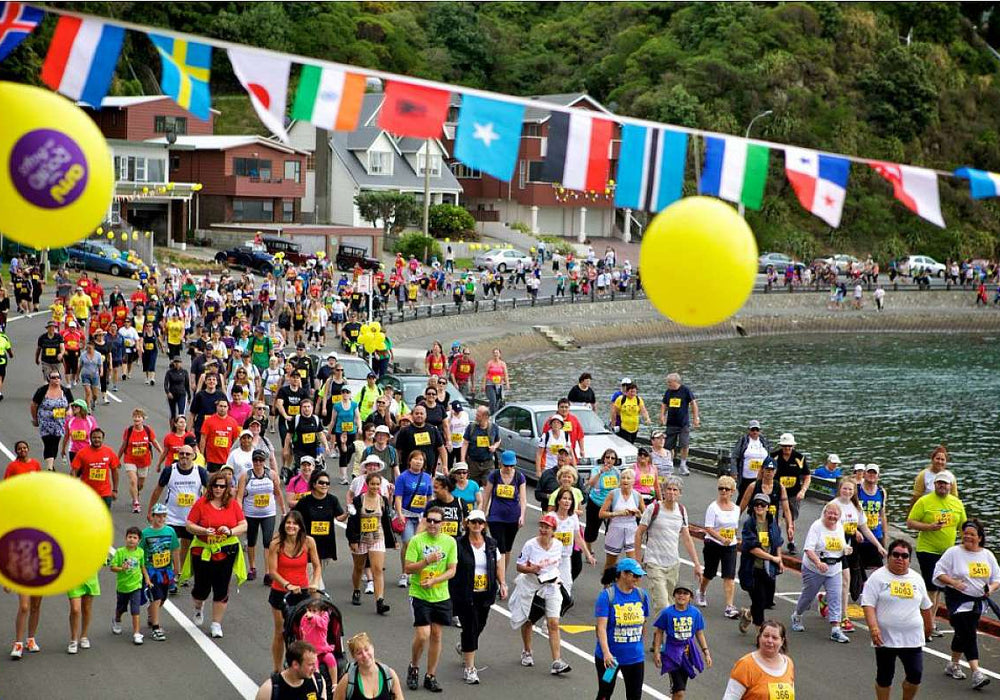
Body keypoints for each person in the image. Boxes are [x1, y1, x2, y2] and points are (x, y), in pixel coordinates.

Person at [861, 539, 934, 700]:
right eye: (896, 555)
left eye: (904, 556)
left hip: (912, 637)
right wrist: (874, 628)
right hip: (885, 637)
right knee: (885, 676)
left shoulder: (916, 579)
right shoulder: (877, 577)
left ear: (909, 559)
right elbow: (868, 605)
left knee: (915, 675)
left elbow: (926, 606)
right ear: (888, 557)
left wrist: (929, 627)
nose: (900, 558)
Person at [932, 519, 998, 689]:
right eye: (965, 533)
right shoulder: (953, 552)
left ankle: (953, 664)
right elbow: (938, 573)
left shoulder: (987, 555)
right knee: (969, 633)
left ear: (980, 538)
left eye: (972, 534)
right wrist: (954, 582)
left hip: (978, 602)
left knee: (963, 633)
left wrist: (990, 588)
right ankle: (976, 672)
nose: (968, 537)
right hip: (957, 600)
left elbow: (997, 579)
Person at [182, 471, 249, 639]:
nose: (218, 489)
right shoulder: (201, 504)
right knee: (201, 588)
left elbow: (243, 525)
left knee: (221, 587)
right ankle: (198, 606)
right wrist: (204, 530)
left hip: (226, 550)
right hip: (203, 550)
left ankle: (216, 623)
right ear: (210, 487)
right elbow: (189, 525)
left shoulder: (232, 505)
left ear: (227, 488)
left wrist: (230, 531)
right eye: (215, 486)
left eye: (222, 486)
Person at [404, 505, 458, 693]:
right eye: (430, 520)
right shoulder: (417, 541)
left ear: (442, 523)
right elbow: (408, 568)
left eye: (436, 521)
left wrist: (435, 580)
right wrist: (426, 561)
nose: (433, 524)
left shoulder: (450, 542)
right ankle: (414, 666)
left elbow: (452, 570)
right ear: (425, 521)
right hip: (419, 593)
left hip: (441, 595)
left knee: (436, 634)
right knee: (422, 634)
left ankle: (431, 675)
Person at [905, 470, 966, 639]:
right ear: (934, 485)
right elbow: (910, 523)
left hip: (947, 552)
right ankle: (927, 626)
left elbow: (963, 527)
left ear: (950, 486)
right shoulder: (925, 501)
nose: (942, 486)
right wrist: (929, 527)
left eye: (945, 483)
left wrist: (966, 547)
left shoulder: (957, 503)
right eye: (939, 483)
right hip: (927, 550)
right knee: (932, 587)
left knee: (939, 589)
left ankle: (930, 622)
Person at [509, 514, 571, 676]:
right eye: (541, 526)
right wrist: (532, 569)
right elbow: (519, 566)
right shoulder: (530, 544)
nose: (543, 530)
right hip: (531, 586)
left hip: (551, 586)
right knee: (528, 620)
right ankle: (527, 651)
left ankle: (557, 661)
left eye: (547, 527)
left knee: (553, 623)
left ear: (553, 530)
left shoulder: (558, 545)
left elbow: (557, 565)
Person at [452, 508, 506, 684]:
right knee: (470, 627)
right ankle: (470, 668)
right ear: (467, 523)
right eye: (473, 522)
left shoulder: (491, 544)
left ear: (484, 525)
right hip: (464, 593)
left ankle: (465, 647)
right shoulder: (459, 543)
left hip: (485, 592)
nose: (476, 525)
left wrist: (502, 583)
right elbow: (451, 566)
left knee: (479, 625)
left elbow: (498, 564)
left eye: (480, 522)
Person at [266, 511, 323, 673]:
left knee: (303, 632)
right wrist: (287, 584)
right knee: (281, 631)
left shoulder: (308, 542)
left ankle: (301, 667)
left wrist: (314, 581)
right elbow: (272, 572)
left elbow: (317, 566)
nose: (291, 526)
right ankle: (277, 670)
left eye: (294, 523)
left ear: (300, 526)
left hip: (302, 594)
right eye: (288, 523)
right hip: (280, 593)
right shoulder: (276, 544)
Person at [790, 501, 852, 643]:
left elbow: (842, 545)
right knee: (808, 596)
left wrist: (846, 549)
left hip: (834, 568)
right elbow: (808, 549)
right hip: (814, 568)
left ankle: (836, 629)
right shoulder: (817, 527)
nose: (832, 516)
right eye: (830, 513)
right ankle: (797, 615)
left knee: (836, 596)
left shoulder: (840, 527)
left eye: (836, 514)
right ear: (824, 513)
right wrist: (818, 563)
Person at [594, 558, 650, 700]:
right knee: (605, 694)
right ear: (623, 574)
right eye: (635, 576)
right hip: (611, 660)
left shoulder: (642, 596)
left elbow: (643, 623)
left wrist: (639, 646)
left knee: (634, 696)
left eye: (640, 576)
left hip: (635, 659)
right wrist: (606, 653)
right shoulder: (607, 596)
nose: (638, 579)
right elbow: (601, 628)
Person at [346, 470, 397, 615]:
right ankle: (356, 589)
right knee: (359, 567)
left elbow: (386, 521)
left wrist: (392, 540)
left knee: (378, 569)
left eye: (377, 484)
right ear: (367, 485)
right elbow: (352, 522)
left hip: (377, 537)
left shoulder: (382, 500)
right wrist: (353, 540)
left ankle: (379, 601)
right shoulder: (358, 500)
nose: (375, 487)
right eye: (372, 484)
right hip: (361, 538)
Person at [653, 582, 711, 700]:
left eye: (685, 593)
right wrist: (657, 651)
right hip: (671, 654)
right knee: (680, 691)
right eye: (679, 593)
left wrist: (706, 652)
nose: (682, 596)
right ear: (674, 595)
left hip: (687, 654)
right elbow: (659, 632)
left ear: (690, 597)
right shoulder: (667, 613)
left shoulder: (695, 613)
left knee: (679, 690)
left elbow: (699, 633)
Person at [236, 449, 287, 582]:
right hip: (251, 513)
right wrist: (239, 514)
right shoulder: (245, 476)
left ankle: (268, 572)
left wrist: (283, 510)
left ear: (264, 462)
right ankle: (252, 567)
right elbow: (239, 496)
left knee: (267, 542)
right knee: (251, 541)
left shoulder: (271, 475)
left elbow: (277, 493)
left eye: (260, 460)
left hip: (268, 513)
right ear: (252, 461)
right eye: (255, 460)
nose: (258, 463)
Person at [738, 493, 785, 633]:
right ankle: (761, 633)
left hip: (768, 568)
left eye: (762, 505)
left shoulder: (772, 522)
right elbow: (753, 549)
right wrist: (772, 558)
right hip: (752, 568)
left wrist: (779, 560)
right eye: (756, 504)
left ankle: (748, 615)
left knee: (766, 601)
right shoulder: (749, 524)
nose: (759, 507)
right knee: (758, 600)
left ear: (767, 507)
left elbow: (777, 543)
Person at [294, 469, 348, 590]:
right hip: (307, 543)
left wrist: (348, 513)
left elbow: (339, 517)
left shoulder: (332, 500)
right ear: (314, 484)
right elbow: (294, 518)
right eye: (321, 483)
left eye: (327, 483)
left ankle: (309, 596)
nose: (324, 485)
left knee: (316, 573)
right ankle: (317, 598)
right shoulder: (304, 501)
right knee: (313, 573)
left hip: (326, 544)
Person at [697, 475, 741, 618]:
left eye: (726, 489)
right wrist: (722, 539)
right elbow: (708, 528)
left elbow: (734, 527)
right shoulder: (713, 507)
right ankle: (702, 591)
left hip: (730, 545)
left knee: (729, 575)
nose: (723, 491)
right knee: (710, 572)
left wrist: (732, 538)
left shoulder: (736, 509)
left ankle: (729, 606)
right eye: (721, 488)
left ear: (732, 491)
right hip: (713, 543)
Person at [482, 449, 526, 579]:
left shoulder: (519, 477)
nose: (508, 468)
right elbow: (486, 495)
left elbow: (523, 499)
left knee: (507, 549)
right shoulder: (494, 475)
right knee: (499, 547)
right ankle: (497, 576)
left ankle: (502, 576)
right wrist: (483, 514)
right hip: (496, 517)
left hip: (513, 518)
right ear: (501, 464)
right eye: (506, 465)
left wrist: (522, 515)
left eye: (511, 465)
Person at [723, 620, 795, 700]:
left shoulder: (788, 663)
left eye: (774, 638)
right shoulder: (745, 664)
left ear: (782, 641)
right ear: (759, 637)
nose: (770, 641)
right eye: (766, 636)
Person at [141, 504, 180, 641]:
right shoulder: (145, 533)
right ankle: (156, 628)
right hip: (152, 571)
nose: (161, 519)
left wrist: (177, 569)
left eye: (163, 516)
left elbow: (175, 550)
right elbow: (140, 552)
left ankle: (152, 612)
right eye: (158, 516)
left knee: (163, 598)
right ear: (152, 516)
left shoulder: (170, 531)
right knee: (156, 598)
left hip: (166, 570)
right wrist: (143, 570)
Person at [109, 526, 152, 646]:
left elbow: (142, 566)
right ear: (125, 538)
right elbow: (112, 567)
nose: (131, 540)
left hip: (136, 586)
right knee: (121, 608)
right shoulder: (120, 552)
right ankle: (117, 619)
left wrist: (147, 579)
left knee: (135, 609)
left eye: (134, 538)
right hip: (123, 587)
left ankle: (137, 633)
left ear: (139, 541)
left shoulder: (140, 552)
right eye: (129, 537)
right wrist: (121, 568)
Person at [332, 632, 403, 700]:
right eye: (359, 653)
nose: (365, 655)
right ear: (354, 657)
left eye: (366, 649)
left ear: (372, 648)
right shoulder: (347, 681)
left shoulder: (389, 675)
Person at [770, 432, 809, 554]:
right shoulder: (773, 457)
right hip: (777, 493)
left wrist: (803, 490)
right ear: (781, 446)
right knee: (776, 518)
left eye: (789, 446)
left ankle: (791, 542)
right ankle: (775, 542)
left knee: (790, 519)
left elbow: (807, 476)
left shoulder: (799, 458)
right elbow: (765, 472)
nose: (787, 448)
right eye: (785, 446)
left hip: (793, 494)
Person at [119, 407, 162, 514]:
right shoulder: (128, 431)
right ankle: (136, 503)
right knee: (133, 480)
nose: (136, 419)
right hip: (130, 459)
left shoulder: (147, 430)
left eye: (139, 417)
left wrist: (162, 453)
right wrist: (117, 459)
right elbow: (123, 445)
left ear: (143, 419)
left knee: (140, 484)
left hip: (144, 461)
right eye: (135, 416)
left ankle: (136, 492)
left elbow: (155, 442)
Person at [255, 641, 328, 700]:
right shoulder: (269, 690)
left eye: (315, 663)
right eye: (310, 664)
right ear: (295, 664)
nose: (315, 668)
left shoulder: (318, 681)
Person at [31, 371, 73, 471]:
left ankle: (51, 462)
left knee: (55, 442)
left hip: (59, 422)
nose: (56, 379)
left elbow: (71, 404)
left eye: (58, 377)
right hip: (45, 421)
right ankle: (49, 467)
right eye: (53, 377)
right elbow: (34, 405)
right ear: (49, 379)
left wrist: (70, 411)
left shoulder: (65, 391)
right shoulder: (42, 390)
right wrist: (35, 418)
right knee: (47, 441)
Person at [658, 373, 699, 475]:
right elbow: (664, 404)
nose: (668, 384)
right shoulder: (668, 392)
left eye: (669, 382)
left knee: (684, 444)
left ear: (675, 381)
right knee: (668, 446)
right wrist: (662, 416)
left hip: (683, 424)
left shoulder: (685, 390)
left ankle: (683, 465)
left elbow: (693, 403)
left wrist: (695, 418)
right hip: (671, 423)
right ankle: (669, 464)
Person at [71, 428, 120, 508]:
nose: (96, 440)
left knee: (104, 517)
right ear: (90, 438)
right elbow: (74, 471)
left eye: (99, 438)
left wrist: (115, 490)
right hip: (87, 492)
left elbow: (115, 471)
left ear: (102, 439)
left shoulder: (109, 452)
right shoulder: (82, 453)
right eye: (94, 438)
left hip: (105, 493)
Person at [460, 405, 500, 486]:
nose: (476, 417)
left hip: (488, 463)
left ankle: (485, 499)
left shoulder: (494, 427)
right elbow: (465, 443)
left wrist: (494, 447)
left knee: (488, 485)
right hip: (473, 463)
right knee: (472, 486)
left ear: (485, 417)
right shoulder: (471, 427)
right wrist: (462, 459)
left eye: (478, 415)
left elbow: (498, 440)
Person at [731, 420, 771, 499]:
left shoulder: (764, 441)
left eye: (757, 430)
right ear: (749, 430)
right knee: (743, 499)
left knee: (760, 500)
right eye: (753, 430)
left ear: (760, 431)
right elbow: (734, 457)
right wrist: (734, 472)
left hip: (761, 478)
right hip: (746, 478)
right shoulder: (743, 441)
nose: (755, 432)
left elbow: (769, 457)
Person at [482, 348, 509, 414]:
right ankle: (491, 414)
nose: (496, 354)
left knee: (499, 401)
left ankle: (497, 414)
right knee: (493, 400)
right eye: (494, 353)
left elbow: (505, 374)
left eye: (497, 353)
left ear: (500, 354)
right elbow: (485, 374)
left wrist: (507, 384)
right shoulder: (490, 363)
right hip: (490, 384)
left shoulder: (503, 363)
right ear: (493, 354)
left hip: (499, 384)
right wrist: (483, 385)